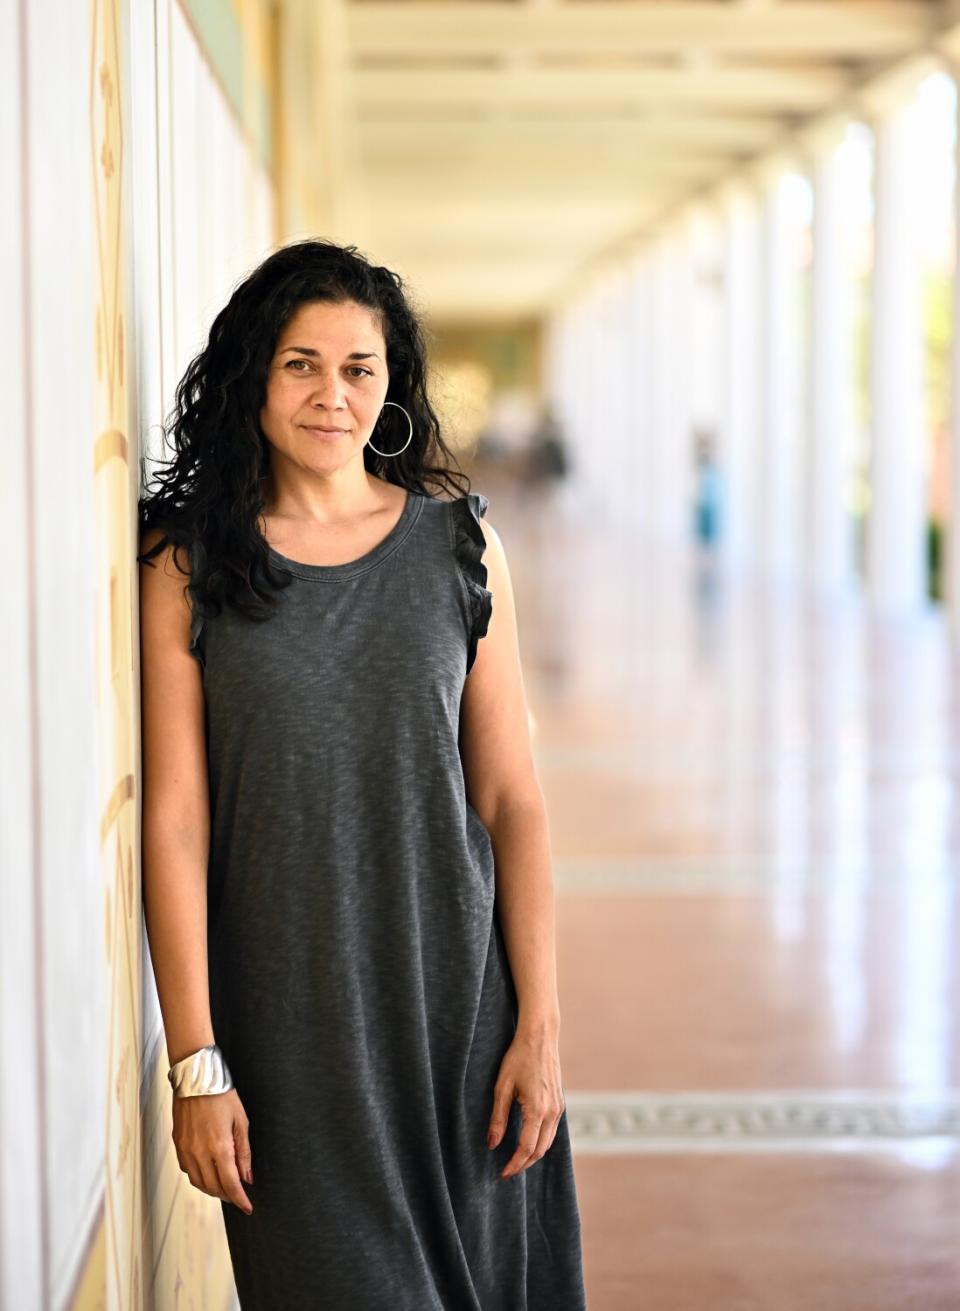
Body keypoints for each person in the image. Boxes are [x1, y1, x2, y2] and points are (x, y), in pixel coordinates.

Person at [137, 238, 587, 1308]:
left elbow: (512, 800)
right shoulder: (187, 562)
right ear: (253, 374)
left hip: (464, 1019)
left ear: (390, 388)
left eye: (358, 368)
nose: (331, 394)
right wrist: (197, 1061)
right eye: (300, 363)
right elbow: (177, 820)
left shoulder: (461, 549)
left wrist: (541, 1027)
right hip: (290, 1029)